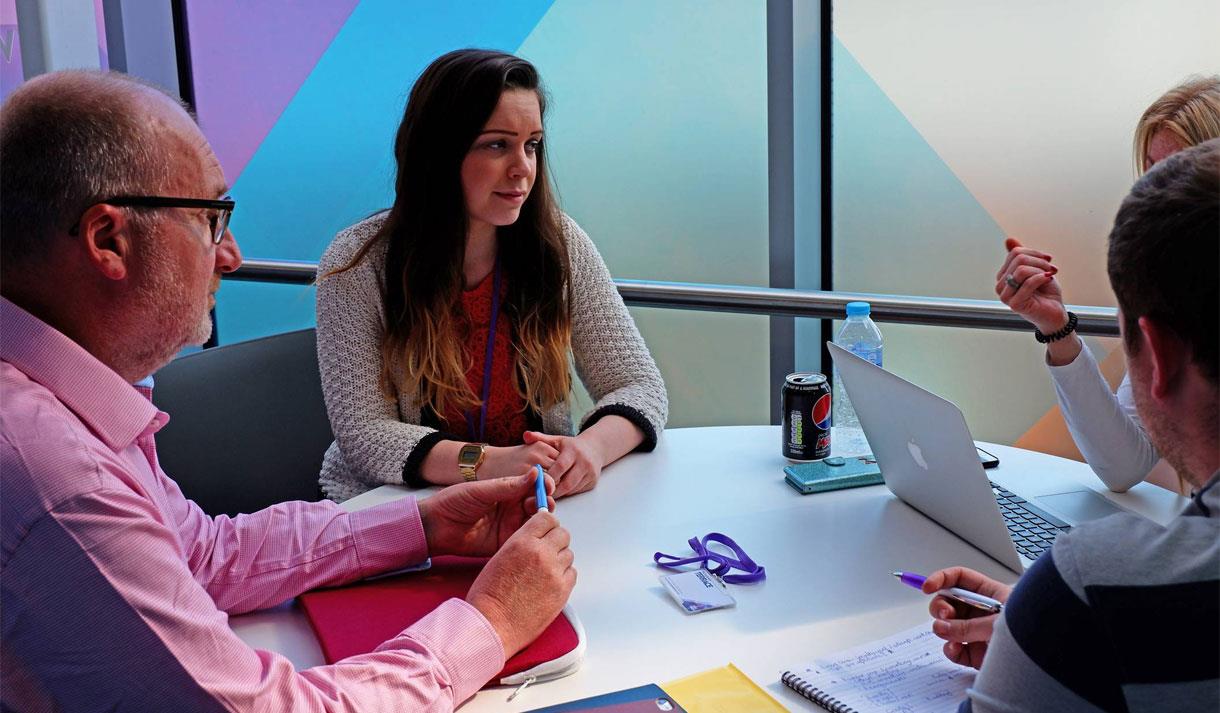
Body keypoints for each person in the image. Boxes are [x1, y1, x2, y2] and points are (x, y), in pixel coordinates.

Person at [0, 69, 576, 711]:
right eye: (211, 219)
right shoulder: (57, 476)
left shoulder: (66, 398)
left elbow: (200, 553)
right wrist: (492, 620)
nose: (232, 255)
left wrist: (423, 526)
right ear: (109, 240)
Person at [931, 139, 1219, 712]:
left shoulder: (1094, 585)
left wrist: (1057, 622)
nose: (1158, 194)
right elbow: (1124, 462)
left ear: (1156, 354)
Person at [315, 49, 668, 503]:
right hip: (393, 506)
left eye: (532, 145)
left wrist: (590, 450)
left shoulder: (558, 243)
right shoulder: (358, 263)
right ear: (440, 153)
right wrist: (490, 463)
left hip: (527, 502)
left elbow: (639, 385)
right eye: (497, 144)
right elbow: (364, 435)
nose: (523, 168)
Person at [995, 75, 1220, 493]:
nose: (1157, 194)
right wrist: (1056, 329)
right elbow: (1124, 466)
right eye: (1151, 173)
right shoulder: (1171, 291)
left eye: (1178, 171)